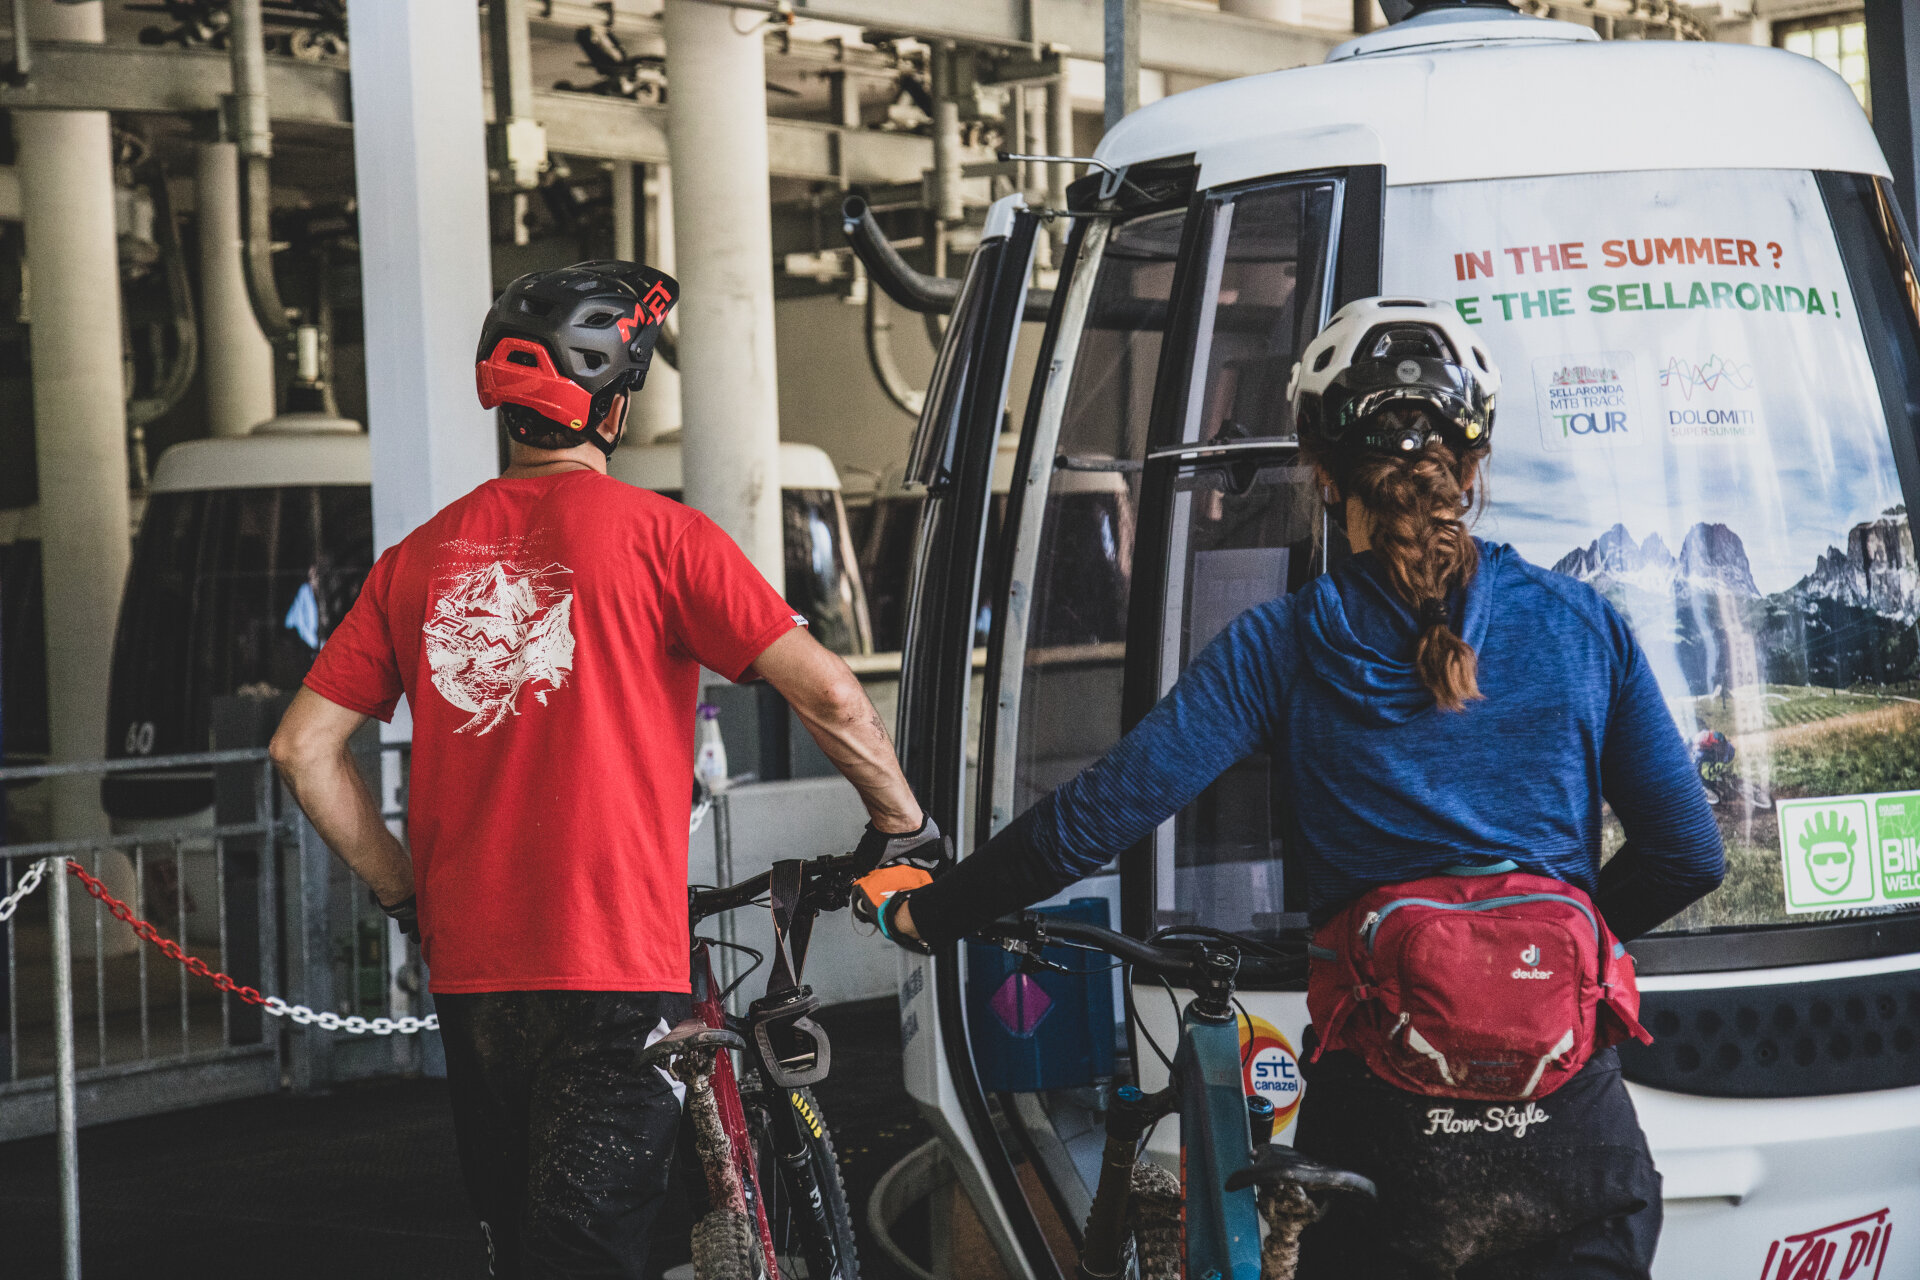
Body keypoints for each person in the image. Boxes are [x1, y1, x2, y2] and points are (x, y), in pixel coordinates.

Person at [879, 297, 1726, 1278]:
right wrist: (1544, 963)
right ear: (1474, 466)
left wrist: (932, 913)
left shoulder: (1280, 645)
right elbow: (1688, 853)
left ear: (1321, 472)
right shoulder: (1586, 625)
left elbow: (1092, 819)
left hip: (1384, 1137)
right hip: (1578, 1140)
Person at [269, 260, 941, 1279]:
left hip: (475, 974)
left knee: (524, 1241)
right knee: (588, 1256)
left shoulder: (414, 559)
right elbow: (834, 694)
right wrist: (901, 822)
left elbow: (302, 749)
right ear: (612, 403)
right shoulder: (665, 539)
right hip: (616, 967)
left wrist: (405, 889)